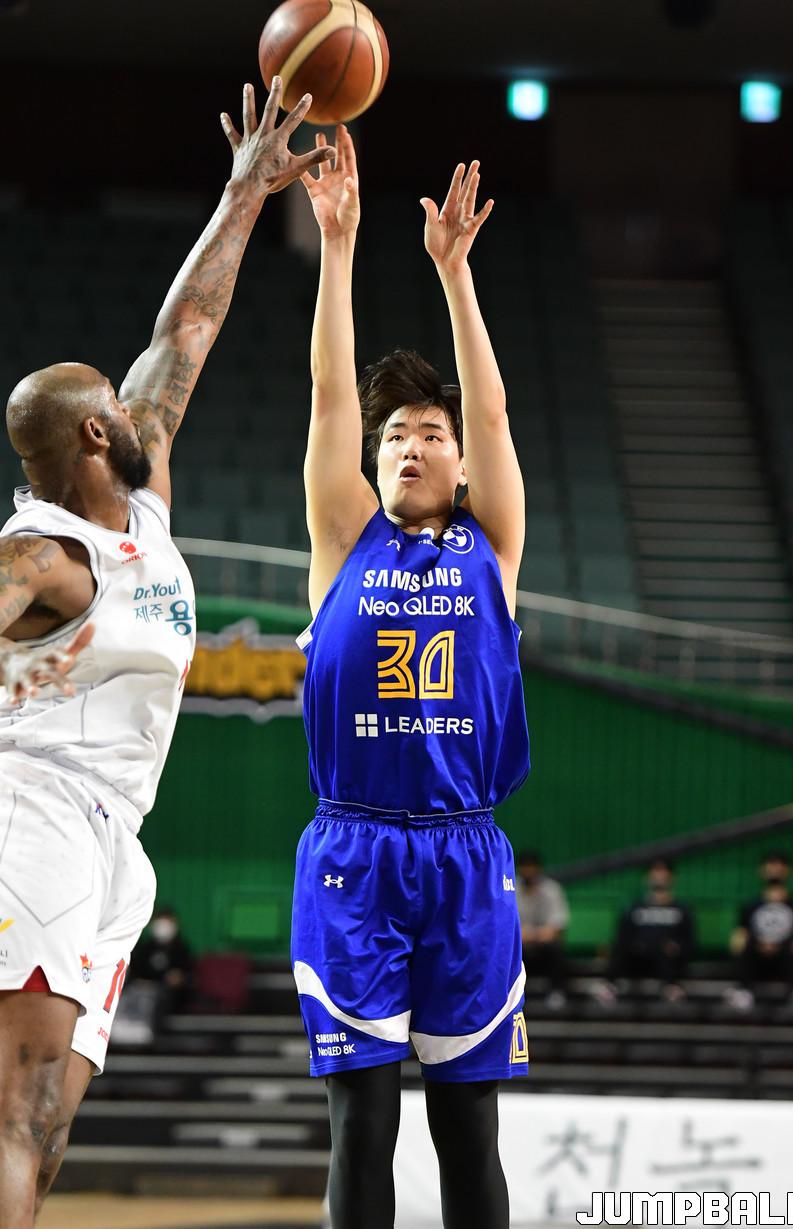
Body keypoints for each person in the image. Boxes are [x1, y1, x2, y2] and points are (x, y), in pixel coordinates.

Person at [0, 79, 333, 1225]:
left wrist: (245, 193)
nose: (144, 403)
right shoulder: (41, 553)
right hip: (30, 810)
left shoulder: (138, 510)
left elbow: (183, 329)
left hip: (113, 839)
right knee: (15, 1104)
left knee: (48, 1124)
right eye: (120, 402)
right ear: (99, 432)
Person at [292, 127, 529, 1229]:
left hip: (465, 851)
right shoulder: (345, 542)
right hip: (355, 849)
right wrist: (337, 245)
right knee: (362, 1126)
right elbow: (327, 399)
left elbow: (493, 411)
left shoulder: (492, 548)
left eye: (430, 433)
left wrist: (454, 273)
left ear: (459, 460)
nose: (409, 445)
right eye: (394, 435)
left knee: (468, 1131)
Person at [594, 859, 695, 1004]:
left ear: (672, 877)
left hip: (668, 962)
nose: (659, 875)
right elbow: (622, 937)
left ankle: (671, 988)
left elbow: (690, 942)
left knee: (666, 950)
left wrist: (677, 947)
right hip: (638, 959)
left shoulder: (682, 910)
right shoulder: (634, 908)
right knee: (618, 947)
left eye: (663, 870)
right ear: (646, 877)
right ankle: (608, 987)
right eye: (655, 871)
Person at [726, 850, 793, 1010]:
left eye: (780, 864)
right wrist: (758, 946)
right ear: (761, 870)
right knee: (747, 946)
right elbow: (738, 937)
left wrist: (792, 946)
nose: (775, 869)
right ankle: (744, 992)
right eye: (771, 864)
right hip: (758, 958)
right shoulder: (751, 905)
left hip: (788, 959)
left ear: (788, 870)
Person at [516, 849, 570, 1007]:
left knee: (556, 948)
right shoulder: (511, 889)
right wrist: (526, 935)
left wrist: (531, 935)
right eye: (524, 866)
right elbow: (508, 928)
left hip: (543, 947)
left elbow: (557, 928)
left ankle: (556, 993)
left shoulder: (552, 890)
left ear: (538, 868)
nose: (528, 871)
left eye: (531, 866)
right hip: (520, 947)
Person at [129, 905, 194, 1013]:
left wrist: (180, 978)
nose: (163, 926)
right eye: (160, 920)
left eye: (167, 921)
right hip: (144, 995)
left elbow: (187, 976)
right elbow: (135, 973)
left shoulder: (181, 950)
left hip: (172, 998)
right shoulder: (144, 948)